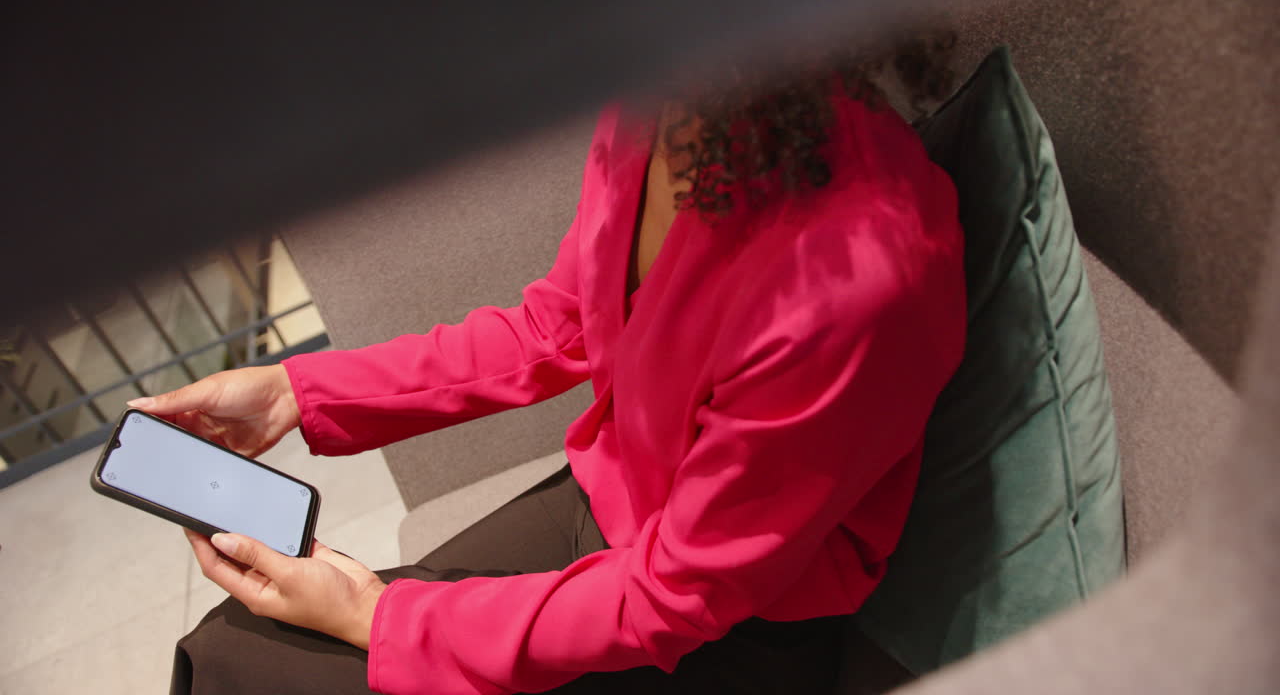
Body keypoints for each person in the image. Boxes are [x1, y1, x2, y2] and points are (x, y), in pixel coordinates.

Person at [139, 34, 967, 695]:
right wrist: (297, 392)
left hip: (730, 633)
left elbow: (679, 596)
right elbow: (556, 324)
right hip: (613, 508)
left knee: (256, 668)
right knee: (232, 649)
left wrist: (377, 615)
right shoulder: (661, 107)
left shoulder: (855, 279)